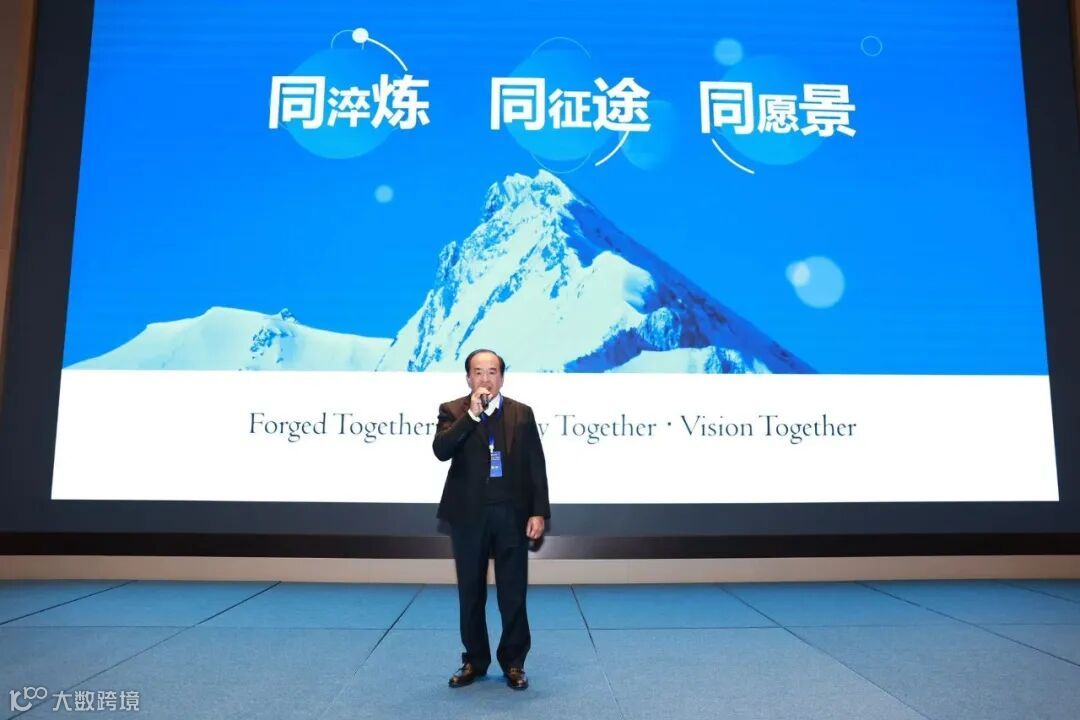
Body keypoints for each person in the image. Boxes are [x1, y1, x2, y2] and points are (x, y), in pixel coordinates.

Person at [432, 348, 550, 691]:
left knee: (513, 592)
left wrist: (538, 510)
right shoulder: (452, 410)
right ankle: (475, 660)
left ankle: (514, 662)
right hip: (468, 516)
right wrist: (471, 415)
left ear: (502, 377)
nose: (486, 378)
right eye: (479, 372)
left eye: (492, 372)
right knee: (471, 592)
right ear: (468, 378)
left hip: (511, 514)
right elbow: (441, 450)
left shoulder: (521, 412)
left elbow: (536, 464)